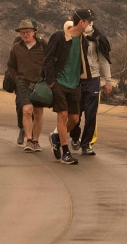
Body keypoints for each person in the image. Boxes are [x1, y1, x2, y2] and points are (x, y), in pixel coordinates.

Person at [45, 8, 95, 165]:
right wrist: (51, 81)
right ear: (81, 22)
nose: (90, 25)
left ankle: (56, 137)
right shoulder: (59, 37)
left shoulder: (84, 41)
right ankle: (65, 152)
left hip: (75, 84)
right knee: (63, 115)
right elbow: (48, 59)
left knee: (74, 118)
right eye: (89, 22)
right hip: (59, 83)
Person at [69, 22, 113, 156]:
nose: (87, 24)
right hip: (76, 79)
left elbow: (104, 60)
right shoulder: (73, 37)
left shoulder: (98, 39)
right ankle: (75, 136)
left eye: (89, 21)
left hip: (93, 79)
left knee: (91, 114)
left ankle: (86, 144)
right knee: (75, 112)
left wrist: (108, 81)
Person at [6, 19, 46, 153]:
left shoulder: (42, 46)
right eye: (22, 32)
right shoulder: (16, 47)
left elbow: (50, 62)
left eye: (28, 32)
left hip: (39, 83)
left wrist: (48, 79)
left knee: (38, 112)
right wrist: (17, 79)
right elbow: (11, 66)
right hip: (23, 82)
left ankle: (36, 140)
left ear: (34, 32)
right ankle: (29, 140)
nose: (25, 35)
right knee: (27, 110)